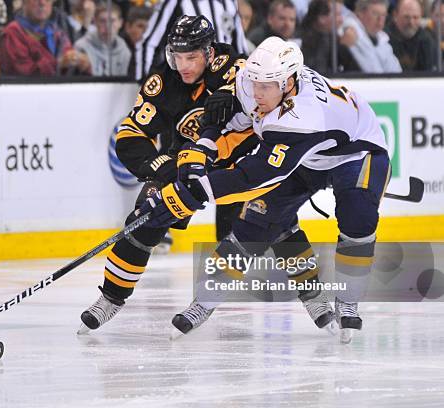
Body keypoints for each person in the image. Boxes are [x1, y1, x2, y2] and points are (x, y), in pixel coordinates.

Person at [140, 36, 391, 343]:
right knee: (256, 222)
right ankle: (204, 303)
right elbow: (225, 115)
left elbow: (251, 178)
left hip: (358, 153)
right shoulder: (251, 79)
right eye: (254, 83)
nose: (257, 92)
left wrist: (186, 196)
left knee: (358, 216)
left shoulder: (301, 119)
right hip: (309, 155)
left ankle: (348, 302)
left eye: (266, 86)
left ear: (288, 83)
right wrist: (205, 141)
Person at [78, 15, 257, 333]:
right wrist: (161, 168)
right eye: (177, 56)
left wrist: (233, 96)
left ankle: (316, 299)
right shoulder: (162, 83)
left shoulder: (233, 66)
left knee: (270, 221)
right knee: (143, 220)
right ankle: (111, 298)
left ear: (209, 52)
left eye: (192, 57)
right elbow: (131, 136)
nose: (184, 65)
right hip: (185, 160)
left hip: (240, 160)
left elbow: (254, 92)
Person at [135, 0, 249, 80]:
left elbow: (239, 45)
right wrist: (145, 82)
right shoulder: (175, 2)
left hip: (222, 81)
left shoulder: (229, 2)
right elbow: (150, 42)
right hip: (186, 84)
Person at [0, 0, 91, 76]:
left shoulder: (56, 33)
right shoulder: (13, 33)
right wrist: (58, 64)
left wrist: (81, 63)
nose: (42, 2)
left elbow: (68, 58)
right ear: (24, 2)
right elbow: (23, 76)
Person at [341, 0, 402, 73]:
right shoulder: (348, 31)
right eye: (375, 14)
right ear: (360, 13)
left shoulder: (383, 39)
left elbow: (396, 71)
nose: (380, 19)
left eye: (383, 15)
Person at [300, 0, 360, 73]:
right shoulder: (304, 41)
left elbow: (356, 71)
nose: (341, 20)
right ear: (322, 18)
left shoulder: (333, 38)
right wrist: (343, 47)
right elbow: (319, 73)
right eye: (338, 15)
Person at [74, 3, 131, 76]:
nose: (107, 26)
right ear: (95, 22)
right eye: (102, 21)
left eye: (112, 21)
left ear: (120, 23)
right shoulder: (81, 46)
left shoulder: (125, 50)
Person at [385, 0, 435, 71]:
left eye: (415, 17)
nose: (411, 22)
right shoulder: (383, 40)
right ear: (395, 15)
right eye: (406, 17)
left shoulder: (427, 41)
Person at [120, 6, 152, 78]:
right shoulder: (119, 48)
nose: (145, 31)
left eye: (149, 28)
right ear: (128, 27)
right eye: (140, 26)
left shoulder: (155, 51)